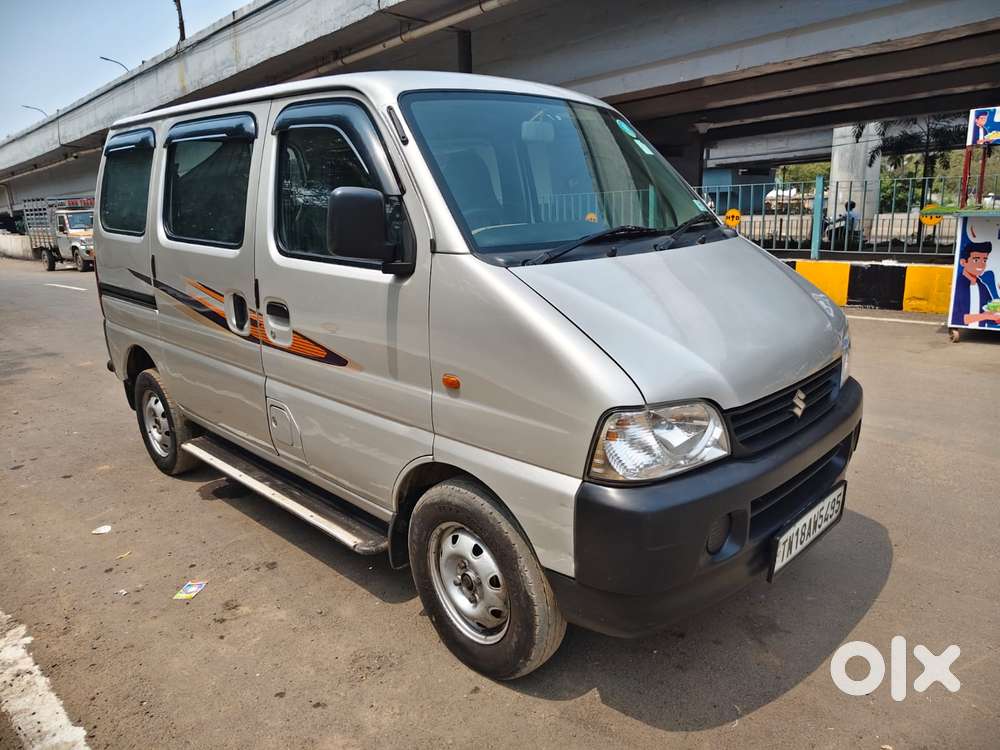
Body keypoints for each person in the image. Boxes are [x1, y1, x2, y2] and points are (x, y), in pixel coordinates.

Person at [951, 239, 1000, 328]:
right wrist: (985, 316)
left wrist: (995, 318)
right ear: (963, 262)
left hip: (982, 328)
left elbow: (989, 311)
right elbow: (955, 318)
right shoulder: (958, 285)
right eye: (976, 260)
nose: (981, 265)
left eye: (984, 260)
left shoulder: (982, 287)